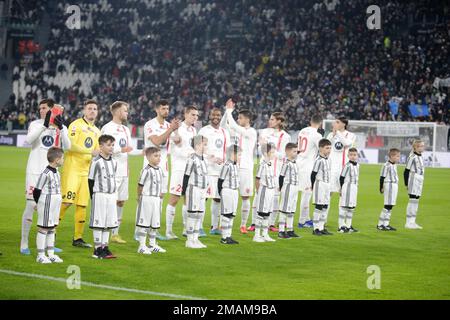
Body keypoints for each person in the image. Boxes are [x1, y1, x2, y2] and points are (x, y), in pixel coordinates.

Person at [20, 99, 70, 255]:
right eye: (40, 108)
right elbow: (28, 140)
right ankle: (24, 243)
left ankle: (50, 243)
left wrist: (61, 129)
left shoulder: (61, 127)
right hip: (35, 173)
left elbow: (68, 147)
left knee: (52, 209)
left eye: (44, 108)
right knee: (31, 207)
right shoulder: (35, 124)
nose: (41, 110)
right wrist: (44, 125)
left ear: (52, 110)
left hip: (52, 174)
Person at [59, 99, 101, 248]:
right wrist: (90, 151)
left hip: (85, 172)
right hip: (72, 169)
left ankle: (78, 238)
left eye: (95, 109)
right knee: (67, 202)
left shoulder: (97, 131)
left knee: (82, 205)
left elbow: (97, 152)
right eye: (89, 108)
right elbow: (70, 146)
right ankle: (51, 231)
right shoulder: (76, 125)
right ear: (84, 110)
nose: (92, 111)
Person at [143, 100, 180, 240]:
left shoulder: (167, 125)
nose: (166, 111)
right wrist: (170, 129)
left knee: (159, 198)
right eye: (164, 108)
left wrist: (176, 131)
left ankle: (153, 229)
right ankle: (140, 229)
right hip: (150, 167)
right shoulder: (150, 124)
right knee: (147, 198)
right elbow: (157, 141)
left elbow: (178, 141)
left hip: (163, 167)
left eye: (168, 108)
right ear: (157, 109)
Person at [220, 99, 257, 234]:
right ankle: (222, 223)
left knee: (245, 197)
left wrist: (230, 111)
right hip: (233, 168)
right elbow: (223, 125)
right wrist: (226, 111)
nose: (237, 119)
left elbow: (235, 127)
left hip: (245, 169)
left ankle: (243, 224)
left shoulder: (251, 131)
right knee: (229, 195)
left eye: (240, 117)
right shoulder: (235, 131)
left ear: (247, 119)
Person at [250, 112, 290, 232]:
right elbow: (258, 148)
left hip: (276, 170)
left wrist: (270, 150)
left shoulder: (285, 136)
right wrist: (264, 148)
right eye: (270, 118)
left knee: (274, 197)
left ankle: (271, 223)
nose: (270, 121)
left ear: (279, 121)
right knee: (258, 195)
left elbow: (284, 155)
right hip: (263, 168)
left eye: (272, 119)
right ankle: (254, 223)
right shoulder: (264, 132)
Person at [101, 101, 133, 244]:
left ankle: (115, 233)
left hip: (123, 171)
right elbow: (104, 149)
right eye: (125, 111)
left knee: (121, 201)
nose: (127, 113)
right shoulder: (108, 128)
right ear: (117, 112)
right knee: (110, 201)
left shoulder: (126, 129)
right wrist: (121, 150)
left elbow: (129, 149)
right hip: (112, 171)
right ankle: (105, 232)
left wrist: (128, 167)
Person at [165, 106, 199, 239]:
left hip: (190, 168)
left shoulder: (194, 130)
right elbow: (176, 149)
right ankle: (168, 231)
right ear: (185, 114)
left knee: (188, 199)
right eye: (192, 115)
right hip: (179, 168)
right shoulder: (177, 128)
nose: (195, 117)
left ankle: (186, 228)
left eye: (196, 115)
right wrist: (190, 153)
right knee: (174, 199)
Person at [198, 107, 230, 235]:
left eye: (218, 115)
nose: (216, 117)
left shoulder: (224, 132)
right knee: (203, 198)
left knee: (217, 199)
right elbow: (197, 147)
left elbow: (227, 150)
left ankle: (214, 227)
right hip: (207, 170)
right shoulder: (203, 130)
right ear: (209, 116)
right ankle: (199, 227)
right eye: (213, 115)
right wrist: (211, 158)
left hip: (221, 171)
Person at [88, 135, 118, 259]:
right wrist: (93, 196)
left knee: (108, 222)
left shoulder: (114, 162)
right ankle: (97, 249)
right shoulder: (96, 162)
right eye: (108, 145)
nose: (111, 147)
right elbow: (90, 181)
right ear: (101, 146)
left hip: (111, 196)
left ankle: (105, 247)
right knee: (98, 222)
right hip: (99, 195)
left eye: (112, 145)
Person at [33, 147, 65, 264]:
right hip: (47, 201)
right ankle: (40, 255)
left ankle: (51, 254)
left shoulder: (57, 172)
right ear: (56, 159)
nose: (63, 160)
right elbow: (37, 190)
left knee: (52, 227)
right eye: (62, 158)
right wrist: (38, 203)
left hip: (56, 202)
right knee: (44, 227)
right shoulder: (45, 173)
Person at [136, 147, 166, 254]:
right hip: (147, 198)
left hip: (156, 200)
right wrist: (139, 197)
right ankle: (142, 246)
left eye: (159, 156)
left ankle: (152, 245)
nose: (158, 158)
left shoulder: (160, 170)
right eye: (155, 156)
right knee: (144, 223)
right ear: (148, 157)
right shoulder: (146, 170)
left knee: (155, 223)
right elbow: (140, 185)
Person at [326, 117, 356, 226]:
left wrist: (337, 133)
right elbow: (326, 148)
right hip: (332, 169)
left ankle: (342, 223)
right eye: (335, 122)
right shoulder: (330, 135)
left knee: (342, 195)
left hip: (344, 170)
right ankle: (323, 221)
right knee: (328, 194)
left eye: (337, 122)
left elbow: (347, 143)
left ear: (344, 124)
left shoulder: (351, 135)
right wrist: (333, 135)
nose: (335, 123)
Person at [296, 115, 324, 229]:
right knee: (306, 194)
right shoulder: (317, 135)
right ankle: (302, 221)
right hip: (308, 166)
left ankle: (306, 218)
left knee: (301, 192)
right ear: (321, 123)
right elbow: (321, 149)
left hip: (298, 162)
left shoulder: (302, 131)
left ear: (310, 121)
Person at [181, 135, 209, 249]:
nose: (206, 146)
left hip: (203, 190)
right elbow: (186, 176)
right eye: (205, 144)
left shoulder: (204, 159)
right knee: (192, 214)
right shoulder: (192, 159)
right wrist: (184, 192)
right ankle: (189, 240)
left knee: (199, 214)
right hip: (194, 189)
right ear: (198, 145)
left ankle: (195, 239)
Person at [253, 142, 277, 243]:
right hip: (264, 190)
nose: (274, 154)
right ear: (265, 153)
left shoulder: (270, 164)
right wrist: (259, 192)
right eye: (272, 152)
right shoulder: (262, 165)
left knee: (267, 213)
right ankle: (257, 235)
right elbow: (257, 179)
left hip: (271, 191)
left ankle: (265, 234)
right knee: (261, 212)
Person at [218, 145, 241, 244]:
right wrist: (221, 193)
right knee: (226, 214)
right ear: (233, 154)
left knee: (232, 215)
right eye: (239, 155)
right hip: (227, 191)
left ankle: (229, 235)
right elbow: (220, 180)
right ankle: (224, 237)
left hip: (235, 191)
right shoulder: (226, 165)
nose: (240, 157)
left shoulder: (236, 165)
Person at [278, 143, 300, 239]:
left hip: (295, 188)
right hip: (288, 187)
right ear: (287, 151)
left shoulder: (295, 163)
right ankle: (281, 231)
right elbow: (281, 176)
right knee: (284, 209)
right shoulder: (286, 163)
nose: (296, 153)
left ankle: (290, 230)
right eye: (294, 151)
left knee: (291, 209)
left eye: (296, 151)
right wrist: (282, 187)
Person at [311, 139, 333, 236]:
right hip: (320, 184)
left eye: (330, 148)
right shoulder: (318, 160)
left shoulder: (329, 160)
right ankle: (315, 229)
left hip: (327, 184)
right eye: (327, 148)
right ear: (320, 148)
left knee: (325, 206)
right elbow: (313, 174)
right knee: (319, 206)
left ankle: (321, 227)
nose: (329, 150)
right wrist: (312, 186)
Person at [377, 148, 400, 231]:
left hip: (394, 185)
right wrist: (381, 187)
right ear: (392, 156)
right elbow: (382, 177)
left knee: (391, 205)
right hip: (389, 185)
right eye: (397, 156)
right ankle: (380, 224)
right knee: (387, 205)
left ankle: (386, 224)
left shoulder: (394, 165)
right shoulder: (386, 165)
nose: (398, 158)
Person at [404, 140, 425, 229]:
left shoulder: (420, 156)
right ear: (415, 147)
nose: (422, 147)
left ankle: (413, 221)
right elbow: (406, 171)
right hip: (413, 178)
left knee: (416, 200)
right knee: (412, 199)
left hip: (420, 179)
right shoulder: (412, 157)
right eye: (420, 146)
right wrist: (406, 184)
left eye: (423, 146)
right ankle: (408, 222)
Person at [338, 147, 360, 233]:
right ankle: (340, 226)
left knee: (351, 208)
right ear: (348, 156)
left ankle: (348, 225)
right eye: (351, 155)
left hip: (354, 187)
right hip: (347, 187)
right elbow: (341, 178)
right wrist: (341, 188)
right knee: (344, 207)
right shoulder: (347, 166)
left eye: (354, 155)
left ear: (357, 155)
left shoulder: (358, 165)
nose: (353, 156)